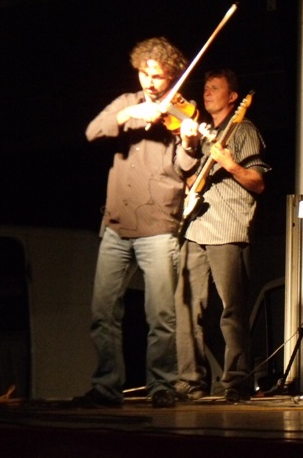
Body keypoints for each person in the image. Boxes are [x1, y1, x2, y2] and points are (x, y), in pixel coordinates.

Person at [77, 37, 200, 408]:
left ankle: (162, 386)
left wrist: (190, 143)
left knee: (160, 316)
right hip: (116, 224)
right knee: (103, 313)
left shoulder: (184, 113)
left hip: (158, 226)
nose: (150, 83)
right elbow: (92, 132)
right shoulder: (127, 103)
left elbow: (185, 167)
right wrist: (129, 115)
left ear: (172, 77)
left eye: (158, 76)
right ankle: (106, 387)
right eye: (145, 74)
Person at [174, 69, 269, 403]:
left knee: (232, 310)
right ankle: (190, 381)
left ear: (233, 97)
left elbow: (258, 182)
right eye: (205, 87)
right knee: (186, 308)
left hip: (229, 228)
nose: (207, 92)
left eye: (215, 87)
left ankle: (237, 381)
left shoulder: (244, 130)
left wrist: (230, 164)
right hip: (195, 227)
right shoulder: (201, 132)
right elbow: (188, 177)